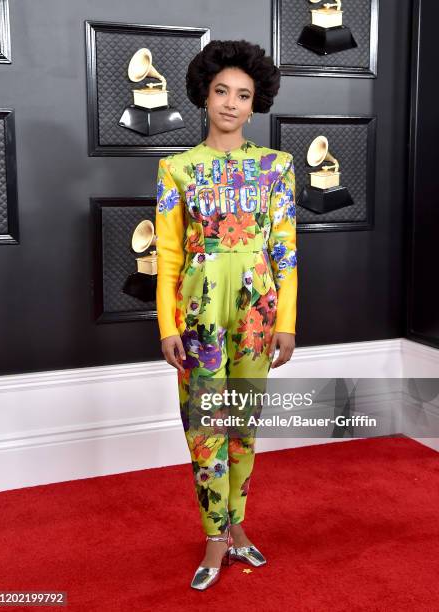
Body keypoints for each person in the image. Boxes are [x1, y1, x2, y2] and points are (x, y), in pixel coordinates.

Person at [155, 39, 297, 590]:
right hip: (198, 316)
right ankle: (215, 531)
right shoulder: (177, 169)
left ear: (256, 100)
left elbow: (284, 250)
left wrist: (286, 320)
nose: (232, 103)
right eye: (222, 91)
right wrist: (168, 325)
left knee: (242, 425)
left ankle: (237, 523)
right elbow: (167, 256)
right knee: (204, 426)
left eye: (243, 94)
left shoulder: (276, 167)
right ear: (204, 95)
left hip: (258, 313)